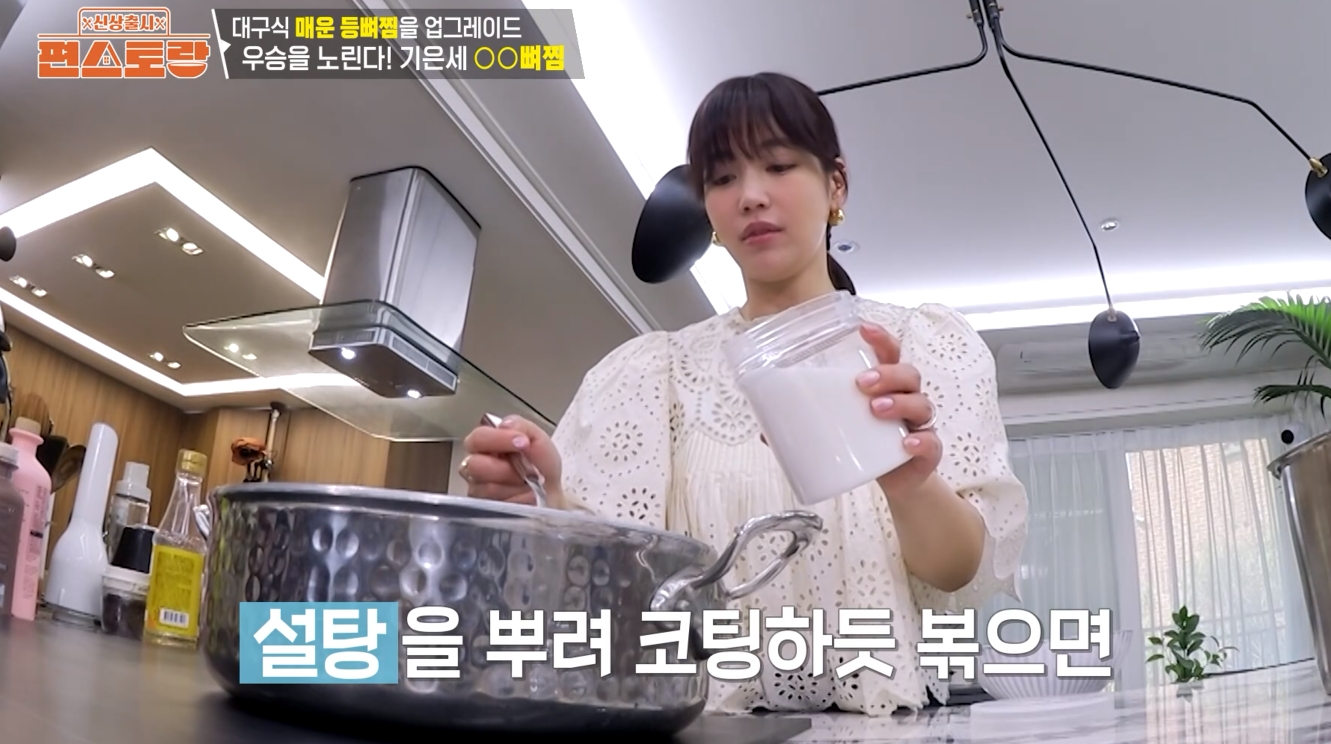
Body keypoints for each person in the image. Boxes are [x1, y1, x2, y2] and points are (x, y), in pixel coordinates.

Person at [457, 71, 1029, 716]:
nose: (751, 196)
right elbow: (625, 588)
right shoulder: (655, 372)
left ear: (836, 185)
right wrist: (546, 500)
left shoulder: (923, 345)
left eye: (779, 166)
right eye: (723, 178)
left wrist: (906, 480)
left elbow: (957, 572)